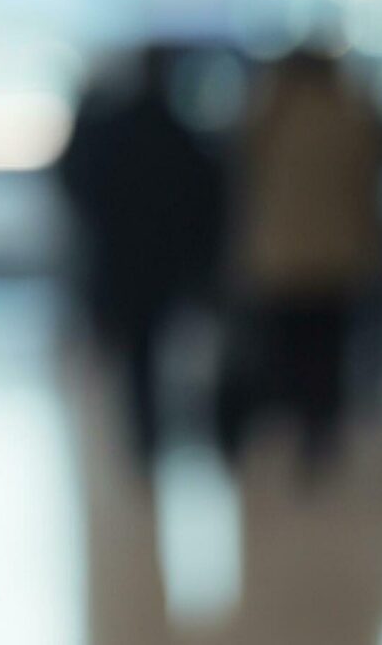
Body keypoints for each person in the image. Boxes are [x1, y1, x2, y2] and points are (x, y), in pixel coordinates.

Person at [216, 45, 382, 476]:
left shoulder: (267, 117)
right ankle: (319, 435)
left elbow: (242, 190)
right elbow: (367, 189)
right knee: (326, 353)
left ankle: (287, 428)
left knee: (283, 351)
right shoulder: (349, 116)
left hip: (280, 259)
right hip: (338, 257)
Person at [56, 45, 228, 472]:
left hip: (124, 259)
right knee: (161, 345)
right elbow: (208, 200)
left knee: (138, 350)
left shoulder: (116, 129)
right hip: (167, 262)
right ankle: (159, 430)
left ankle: (146, 433)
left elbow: (85, 186)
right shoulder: (182, 133)